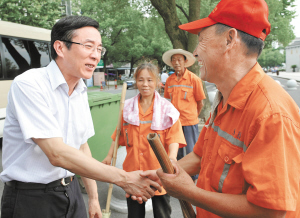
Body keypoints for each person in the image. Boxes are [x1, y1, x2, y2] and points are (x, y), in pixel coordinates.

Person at [144, 0, 300, 217]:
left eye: (201, 41)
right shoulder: (226, 96)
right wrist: (160, 175)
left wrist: (189, 192)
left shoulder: (271, 114)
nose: (196, 52)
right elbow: (201, 156)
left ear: (230, 39)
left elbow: (271, 212)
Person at [0, 16, 161, 218]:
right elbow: (57, 153)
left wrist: (93, 198)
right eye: (88, 46)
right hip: (32, 199)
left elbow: (82, 147)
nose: (96, 56)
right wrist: (124, 179)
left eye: (99, 49)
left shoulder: (79, 89)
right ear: (60, 48)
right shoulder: (29, 85)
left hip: (71, 191)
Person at [103, 62, 186, 218]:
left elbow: (174, 136)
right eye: (141, 80)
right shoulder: (126, 108)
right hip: (134, 173)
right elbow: (118, 135)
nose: (145, 84)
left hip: (159, 171)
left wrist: (172, 158)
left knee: (162, 213)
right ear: (136, 81)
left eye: (149, 80)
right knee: (134, 214)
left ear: (156, 82)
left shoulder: (167, 109)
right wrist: (109, 156)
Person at [162, 48, 206, 182]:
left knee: (192, 150)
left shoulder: (194, 79)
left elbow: (200, 103)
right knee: (176, 152)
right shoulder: (170, 80)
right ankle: (178, 176)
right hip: (175, 123)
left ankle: (194, 179)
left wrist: (193, 116)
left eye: (179, 59)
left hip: (190, 122)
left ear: (185, 62)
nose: (176, 62)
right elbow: (167, 102)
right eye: (174, 60)